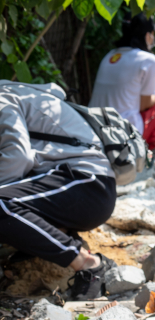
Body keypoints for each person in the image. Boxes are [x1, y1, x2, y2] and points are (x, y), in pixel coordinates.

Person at [0, 81, 119, 300]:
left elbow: (18, 157)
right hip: (76, 186)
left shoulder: (3, 97)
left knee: (1, 203)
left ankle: (88, 263)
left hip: (87, 184)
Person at [90, 13, 155, 151]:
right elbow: (144, 104)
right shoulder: (147, 59)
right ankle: (142, 153)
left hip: (93, 127)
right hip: (122, 130)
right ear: (147, 35)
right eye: (152, 34)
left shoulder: (110, 56)